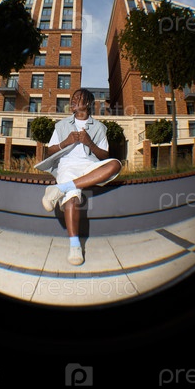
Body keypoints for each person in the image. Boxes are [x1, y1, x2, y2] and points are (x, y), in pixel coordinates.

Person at [40, 88, 122, 266]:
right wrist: (66, 142)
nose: (73, 100)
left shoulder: (99, 127)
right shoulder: (61, 125)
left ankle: (60, 189)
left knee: (115, 165)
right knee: (73, 199)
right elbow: (50, 150)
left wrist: (89, 143)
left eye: (78, 98)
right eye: (73, 98)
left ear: (88, 103)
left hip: (89, 166)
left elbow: (104, 156)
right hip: (68, 166)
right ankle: (75, 246)